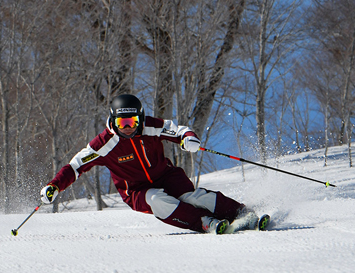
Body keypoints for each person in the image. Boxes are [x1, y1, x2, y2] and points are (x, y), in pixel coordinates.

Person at [40, 94, 268, 234]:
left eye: (132, 121)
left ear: (140, 118)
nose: (128, 127)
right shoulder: (104, 144)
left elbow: (178, 130)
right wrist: (55, 186)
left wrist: (187, 138)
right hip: (137, 190)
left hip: (167, 175)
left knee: (194, 197)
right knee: (158, 200)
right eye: (122, 122)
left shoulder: (150, 126)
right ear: (113, 120)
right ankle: (204, 223)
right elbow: (75, 166)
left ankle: (243, 214)